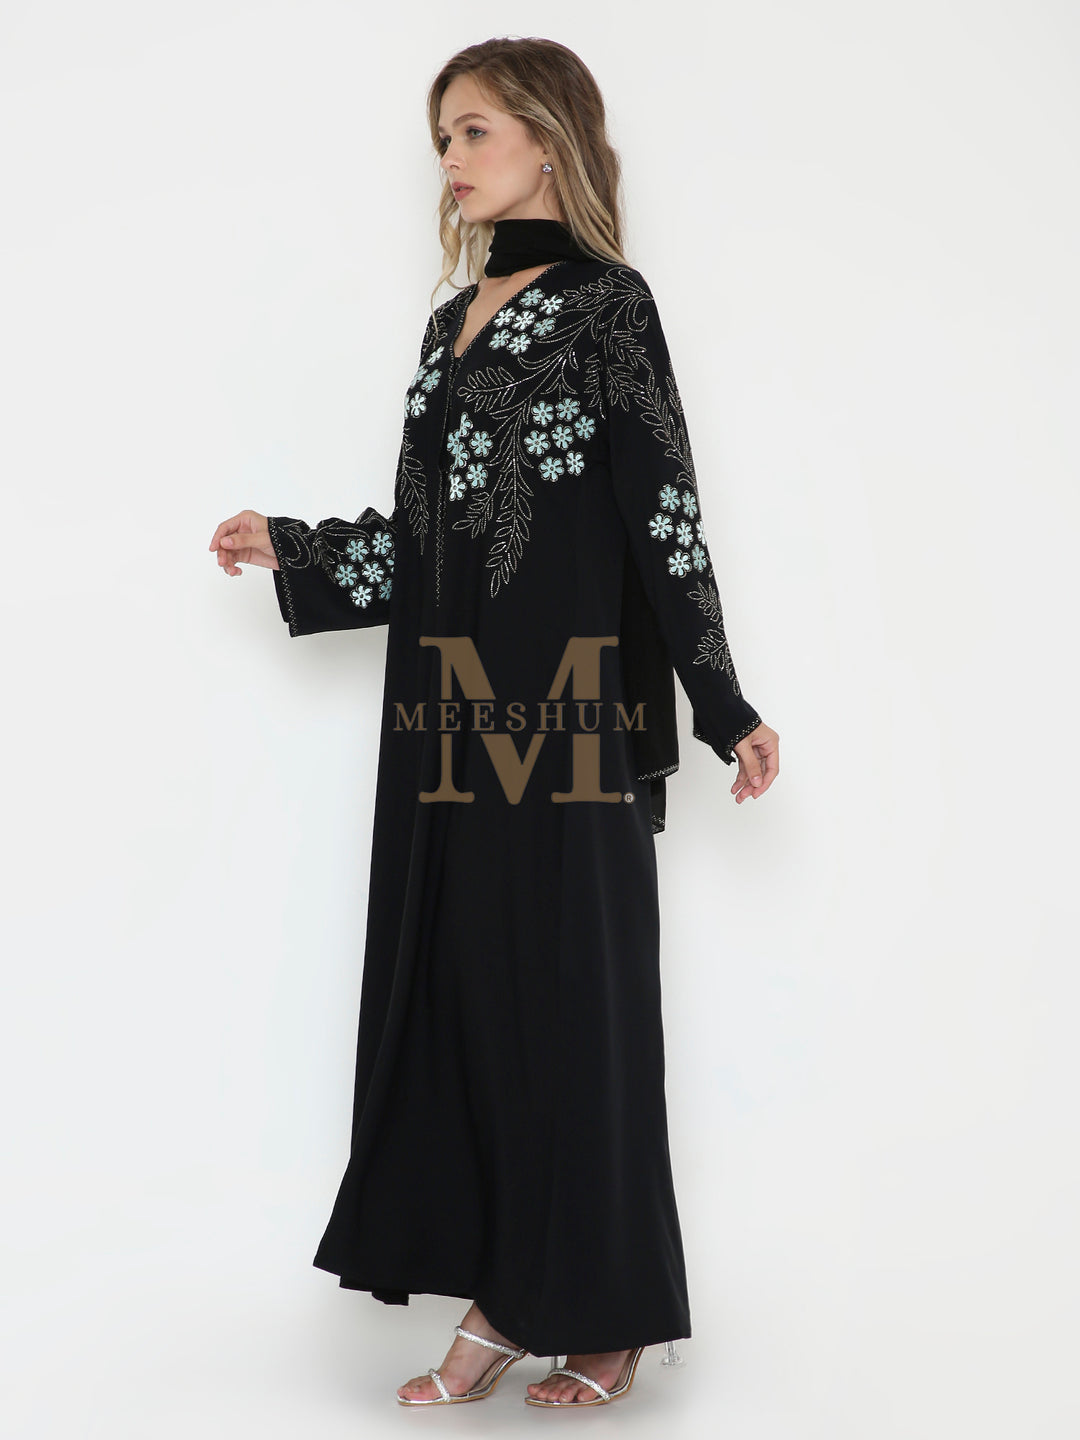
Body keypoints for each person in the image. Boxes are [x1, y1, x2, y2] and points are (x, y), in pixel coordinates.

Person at [208, 36, 779, 1410]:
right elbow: (429, 539)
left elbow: (662, 511)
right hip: (447, 709)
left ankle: (605, 1316)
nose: (451, 161)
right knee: (465, 995)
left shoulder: (608, 307)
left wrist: (721, 700)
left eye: (473, 131)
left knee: (572, 1003)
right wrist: (298, 547)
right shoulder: (448, 323)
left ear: (548, 138)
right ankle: (506, 1291)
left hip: (571, 702)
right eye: (443, 139)